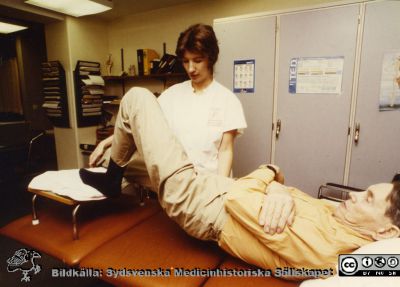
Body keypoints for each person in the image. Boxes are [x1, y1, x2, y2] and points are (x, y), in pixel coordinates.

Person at [80, 88, 400, 275]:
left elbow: (239, 198)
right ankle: (115, 166)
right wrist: (275, 183)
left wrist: (270, 175)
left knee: (136, 98)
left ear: (387, 232)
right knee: (135, 153)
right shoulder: (336, 218)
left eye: (369, 199)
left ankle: (112, 175)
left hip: (205, 207)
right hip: (213, 189)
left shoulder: (327, 246)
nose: (356, 196)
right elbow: (273, 184)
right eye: (365, 192)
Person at [90, 23, 246, 180]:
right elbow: (139, 122)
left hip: (206, 183)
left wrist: (219, 189)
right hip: (174, 181)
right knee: (110, 157)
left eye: (197, 60)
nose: (191, 68)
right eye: (185, 61)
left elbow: (226, 150)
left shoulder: (227, 100)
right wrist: (106, 143)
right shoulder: (172, 94)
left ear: (211, 59)